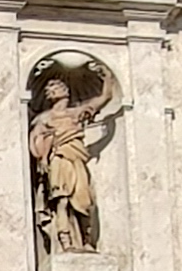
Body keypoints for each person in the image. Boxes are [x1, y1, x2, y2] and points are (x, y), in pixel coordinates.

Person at [29, 63, 120, 256]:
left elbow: (106, 97)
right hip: (59, 160)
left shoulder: (77, 113)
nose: (52, 90)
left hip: (77, 158)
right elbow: (35, 143)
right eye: (50, 88)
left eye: (56, 87)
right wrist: (43, 155)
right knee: (62, 201)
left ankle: (88, 243)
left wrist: (109, 75)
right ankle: (66, 243)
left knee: (85, 202)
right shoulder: (44, 118)